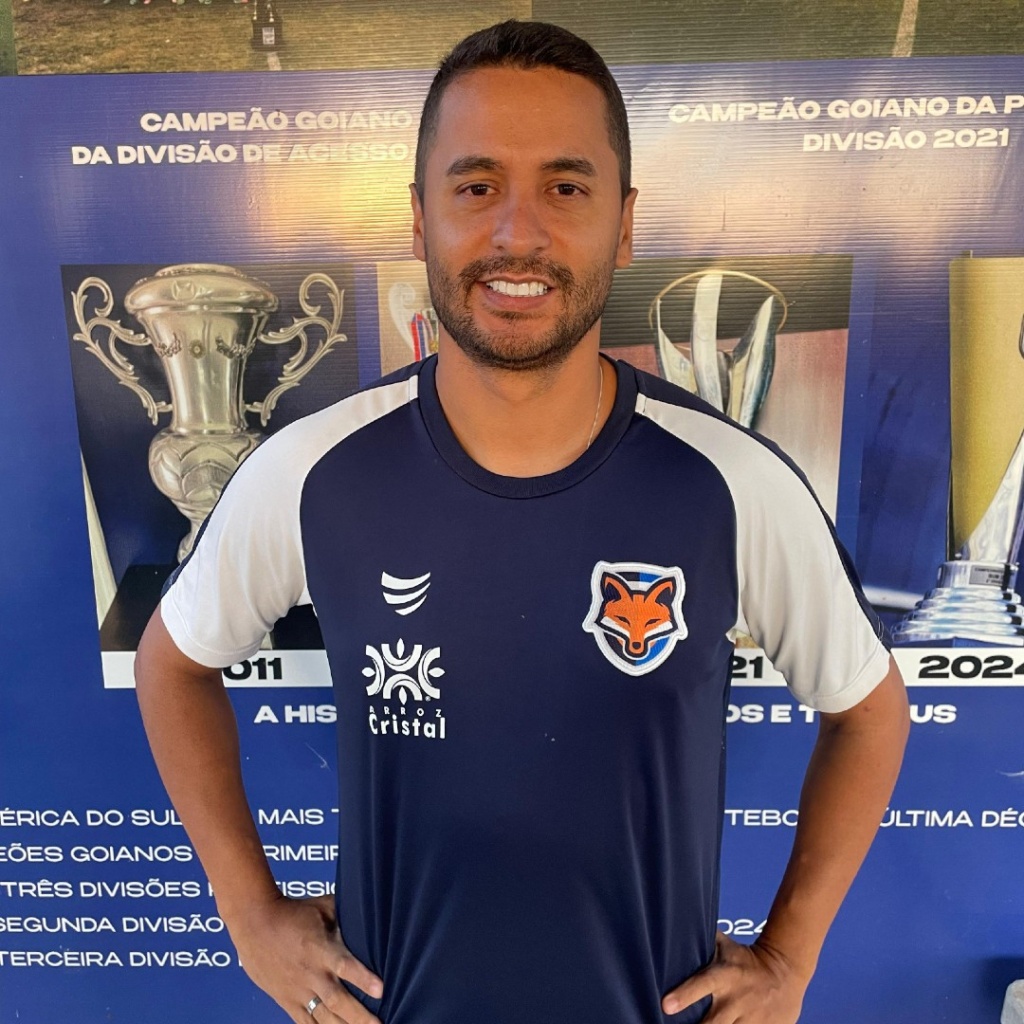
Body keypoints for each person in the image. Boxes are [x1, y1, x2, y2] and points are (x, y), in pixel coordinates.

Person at [135, 19, 910, 1024]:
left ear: (623, 224)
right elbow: (172, 665)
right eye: (476, 187)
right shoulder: (313, 469)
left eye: (566, 187)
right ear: (420, 220)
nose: (517, 234)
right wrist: (248, 914)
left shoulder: (730, 482)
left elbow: (868, 713)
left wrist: (790, 957)